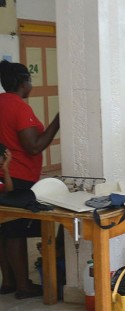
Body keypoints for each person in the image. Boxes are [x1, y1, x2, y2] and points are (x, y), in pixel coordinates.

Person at [0, 60, 60, 299]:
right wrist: (57, 122)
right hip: (18, 176)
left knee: (3, 230)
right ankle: (23, 286)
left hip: (4, 174)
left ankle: (8, 282)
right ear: (25, 82)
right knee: (15, 231)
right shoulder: (19, 107)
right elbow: (33, 147)